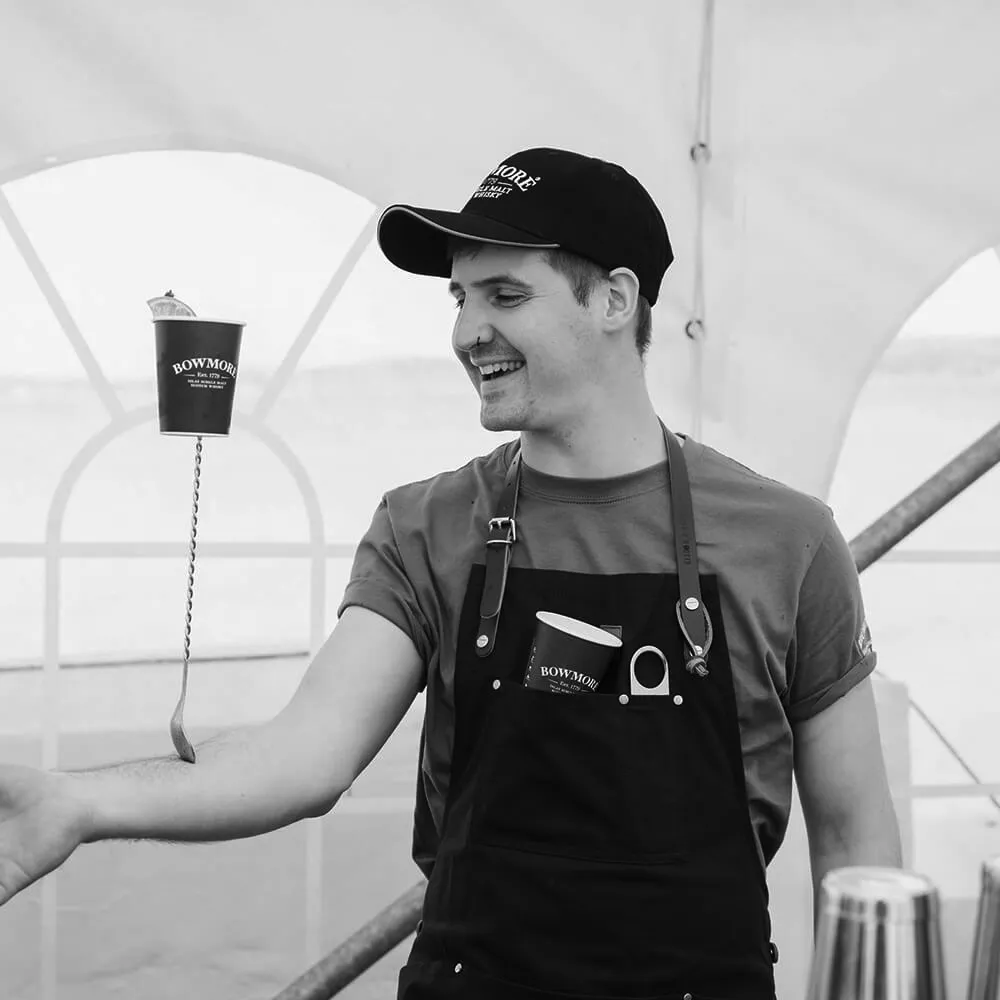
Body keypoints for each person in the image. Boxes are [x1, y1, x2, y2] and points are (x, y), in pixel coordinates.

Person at [0, 147, 900, 999]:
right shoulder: (424, 525)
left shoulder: (788, 540)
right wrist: (77, 802)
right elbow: (300, 758)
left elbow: (856, 839)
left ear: (616, 300)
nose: (470, 332)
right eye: (460, 298)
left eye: (505, 294)